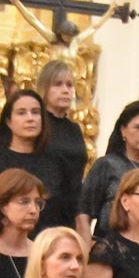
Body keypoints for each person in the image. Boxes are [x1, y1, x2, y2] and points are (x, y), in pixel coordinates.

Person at [77, 100, 139, 246]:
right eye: (138, 128)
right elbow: (84, 212)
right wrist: (85, 247)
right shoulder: (107, 165)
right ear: (123, 130)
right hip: (110, 246)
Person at [0, 89, 70, 234]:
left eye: (35, 112)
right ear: (8, 121)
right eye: (21, 113)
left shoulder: (57, 163)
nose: (30, 118)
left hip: (46, 247)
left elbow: (66, 212)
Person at [36, 59, 88, 206]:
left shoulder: (74, 129)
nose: (66, 90)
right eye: (58, 84)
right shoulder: (37, 124)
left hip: (71, 208)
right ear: (44, 88)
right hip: (43, 206)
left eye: (69, 85)